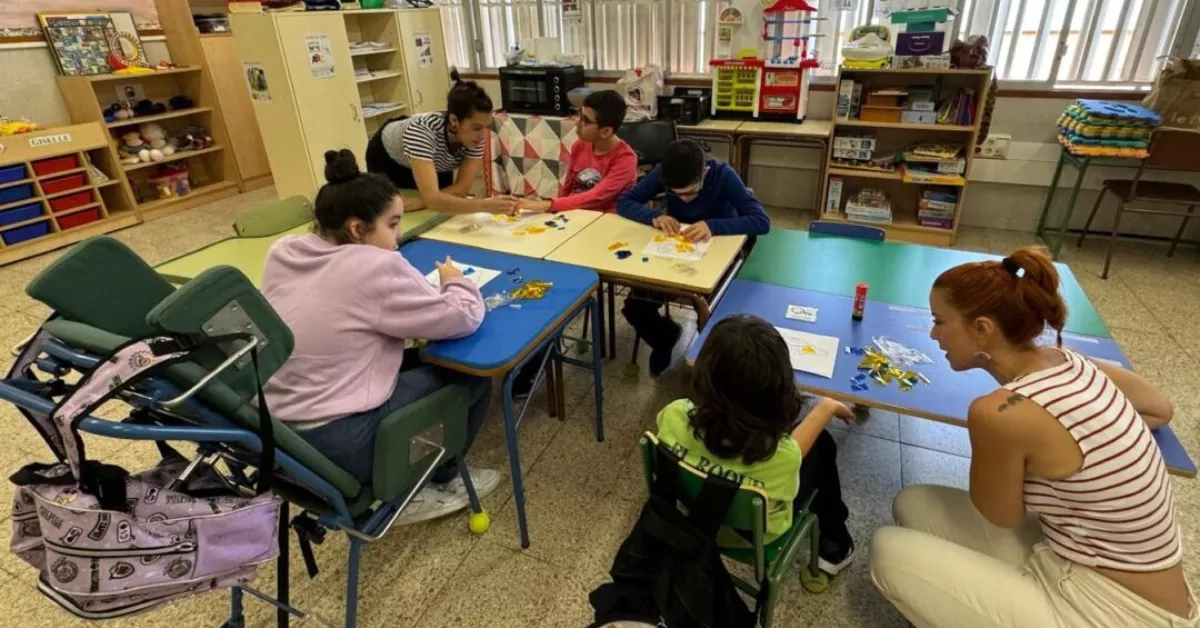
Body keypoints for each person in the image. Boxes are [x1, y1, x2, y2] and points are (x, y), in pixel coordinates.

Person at [870, 246, 1195, 628]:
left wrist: (1019, 444)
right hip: (1076, 556)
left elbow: (1001, 515)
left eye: (939, 321)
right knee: (913, 502)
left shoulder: (997, 413)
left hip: (1120, 610)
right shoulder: (1068, 360)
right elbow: (1160, 408)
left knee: (887, 551)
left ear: (982, 329)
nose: (933, 333)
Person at [262, 149, 500, 525]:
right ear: (358, 230)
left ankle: (421, 472)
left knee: (418, 360)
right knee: (473, 378)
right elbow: (463, 317)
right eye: (392, 225)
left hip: (278, 438)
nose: (399, 235)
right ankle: (427, 483)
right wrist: (456, 281)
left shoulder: (285, 252)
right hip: (340, 443)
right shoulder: (375, 265)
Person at [655, 314, 857, 575]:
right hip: (752, 537)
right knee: (823, 445)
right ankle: (836, 543)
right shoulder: (783, 456)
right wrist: (825, 407)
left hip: (685, 514)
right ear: (778, 389)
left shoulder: (673, 414)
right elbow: (796, 451)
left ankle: (836, 545)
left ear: (704, 372)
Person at [616, 139, 770, 375]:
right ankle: (665, 338)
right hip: (675, 255)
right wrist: (654, 217)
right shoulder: (665, 172)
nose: (685, 200)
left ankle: (711, 362)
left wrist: (712, 226)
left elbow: (761, 221)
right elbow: (625, 202)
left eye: (691, 192)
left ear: (704, 172)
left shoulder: (722, 175)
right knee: (635, 307)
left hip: (716, 257)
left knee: (715, 315)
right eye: (676, 194)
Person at [366, 69, 517, 215]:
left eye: (487, 127)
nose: (483, 135)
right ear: (454, 121)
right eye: (477, 128)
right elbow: (434, 200)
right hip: (388, 159)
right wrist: (485, 205)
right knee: (395, 211)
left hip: (436, 157)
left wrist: (424, 200)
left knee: (440, 208)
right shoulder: (422, 132)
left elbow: (460, 190)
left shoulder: (474, 137)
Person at [518, 90, 638, 212]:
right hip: (573, 214)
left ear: (605, 131)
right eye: (579, 116)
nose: (577, 124)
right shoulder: (580, 145)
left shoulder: (625, 159)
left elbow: (596, 197)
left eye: (586, 121)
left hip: (602, 218)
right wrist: (555, 212)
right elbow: (568, 187)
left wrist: (543, 205)